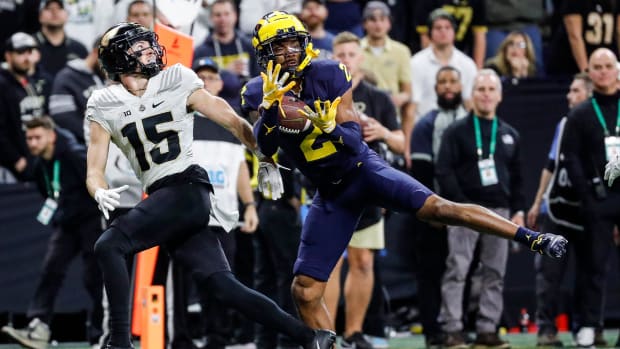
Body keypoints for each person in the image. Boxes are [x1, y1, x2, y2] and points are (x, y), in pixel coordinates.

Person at [244, 10, 567, 333]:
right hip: (329, 194)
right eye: (279, 45)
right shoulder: (257, 91)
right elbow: (264, 147)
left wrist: (330, 128)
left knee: (440, 209)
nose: (289, 52)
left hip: (362, 171)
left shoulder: (328, 73)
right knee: (304, 289)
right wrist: (270, 113)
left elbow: (355, 141)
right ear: (263, 53)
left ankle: (533, 238)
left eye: (293, 43)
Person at [85, 22, 335, 349]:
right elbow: (94, 169)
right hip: (168, 199)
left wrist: (263, 155)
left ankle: (118, 344)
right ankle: (309, 336)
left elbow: (229, 118)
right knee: (221, 285)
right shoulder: (104, 102)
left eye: (148, 43)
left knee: (109, 245)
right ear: (117, 58)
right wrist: (99, 190)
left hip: (185, 187)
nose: (148, 50)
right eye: (137, 46)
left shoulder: (175, 78)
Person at [323, 30, 404, 349]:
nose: (345, 60)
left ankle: (354, 333)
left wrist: (382, 131)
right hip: (330, 188)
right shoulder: (321, 94)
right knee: (329, 265)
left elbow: (401, 142)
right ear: (332, 59)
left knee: (364, 262)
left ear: (361, 58)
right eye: (340, 54)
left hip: (368, 188)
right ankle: (327, 333)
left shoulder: (378, 97)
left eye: (351, 54)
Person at [435, 69, 526, 349]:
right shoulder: (456, 131)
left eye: (491, 89)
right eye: (481, 89)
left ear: (499, 96)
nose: (486, 94)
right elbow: (444, 172)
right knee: (457, 269)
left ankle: (487, 329)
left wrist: (518, 211)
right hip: (464, 210)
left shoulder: (510, 134)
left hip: (499, 211)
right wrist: (461, 206)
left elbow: (518, 178)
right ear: (472, 95)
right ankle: (452, 329)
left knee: (495, 273)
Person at [1, 116, 104, 349]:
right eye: (29, 138)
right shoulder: (39, 163)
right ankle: (38, 327)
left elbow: (96, 182)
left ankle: (101, 335)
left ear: (51, 136)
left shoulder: (75, 155)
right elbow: (48, 191)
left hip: (90, 221)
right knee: (51, 270)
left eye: (37, 137)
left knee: (94, 279)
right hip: (66, 223)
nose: (32, 143)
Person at [527, 73, 595, 347]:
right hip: (556, 208)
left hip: (589, 209)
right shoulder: (565, 123)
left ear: (590, 94)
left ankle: (588, 327)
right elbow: (550, 164)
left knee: (590, 272)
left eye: (576, 91)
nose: (569, 96)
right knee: (549, 271)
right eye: (569, 90)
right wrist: (537, 202)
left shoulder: (604, 125)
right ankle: (546, 329)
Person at [409, 65, 469, 348]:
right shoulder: (425, 124)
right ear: (435, 89)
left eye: (452, 81)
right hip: (433, 212)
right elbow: (420, 172)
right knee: (431, 272)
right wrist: (431, 211)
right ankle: (433, 331)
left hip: (467, 214)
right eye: (442, 82)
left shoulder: (472, 121)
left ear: (461, 86)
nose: (447, 86)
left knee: (463, 269)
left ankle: (459, 326)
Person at [566, 47, 620, 348]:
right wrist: (587, 196)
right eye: (596, 67)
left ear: (616, 69)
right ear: (589, 72)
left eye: (607, 65)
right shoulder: (582, 113)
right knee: (593, 266)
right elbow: (571, 157)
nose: (602, 71)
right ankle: (589, 325)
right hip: (598, 199)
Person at [0, 32, 46, 181]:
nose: (26, 57)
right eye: (20, 52)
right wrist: (15, 158)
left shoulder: (33, 81)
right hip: (13, 164)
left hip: (36, 157)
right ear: (8, 56)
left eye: (29, 51)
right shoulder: (3, 84)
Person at [49, 37, 105, 144]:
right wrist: (95, 136)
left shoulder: (107, 77)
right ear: (96, 52)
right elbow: (62, 117)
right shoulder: (67, 77)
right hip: (81, 146)